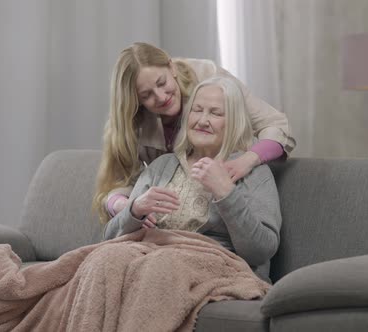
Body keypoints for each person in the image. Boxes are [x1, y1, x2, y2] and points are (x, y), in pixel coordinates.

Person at [93, 42, 295, 223]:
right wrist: (125, 207)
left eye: (162, 83)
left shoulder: (211, 77)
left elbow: (276, 125)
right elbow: (117, 185)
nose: (161, 97)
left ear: (171, 67)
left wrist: (248, 160)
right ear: (137, 102)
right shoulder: (137, 133)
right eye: (146, 95)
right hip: (168, 229)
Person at [103, 77, 282, 276]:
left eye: (215, 113)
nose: (202, 121)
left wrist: (226, 193)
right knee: (97, 261)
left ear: (234, 122)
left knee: (153, 267)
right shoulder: (162, 166)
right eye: (197, 110)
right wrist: (134, 211)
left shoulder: (253, 173)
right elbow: (110, 238)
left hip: (215, 269)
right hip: (150, 261)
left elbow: (261, 251)